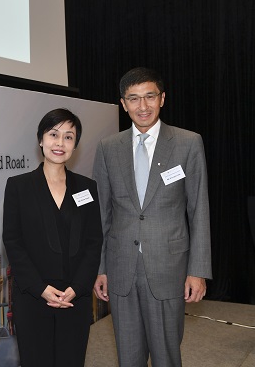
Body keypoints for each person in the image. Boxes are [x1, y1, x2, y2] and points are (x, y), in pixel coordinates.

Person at [92, 67, 212, 367]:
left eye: (149, 97)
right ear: (123, 104)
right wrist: (101, 267)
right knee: (128, 357)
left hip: (169, 267)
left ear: (162, 99)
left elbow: (199, 210)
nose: (142, 106)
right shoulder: (108, 148)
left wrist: (197, 270)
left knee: (166, 356)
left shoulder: (188, 143)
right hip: (121, 269)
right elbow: (101, 214)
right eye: (133, 99)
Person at [2, 108, 103, 366]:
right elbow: (12, 241)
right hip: (33, 297)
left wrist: (78, 288)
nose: (60, 143)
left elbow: (94, 242)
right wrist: (41, 289)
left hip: (74, 297)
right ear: (41, 139)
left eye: (69, 137)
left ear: (75, 145)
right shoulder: (18, 186)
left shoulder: (87, 187)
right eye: (53, 134)